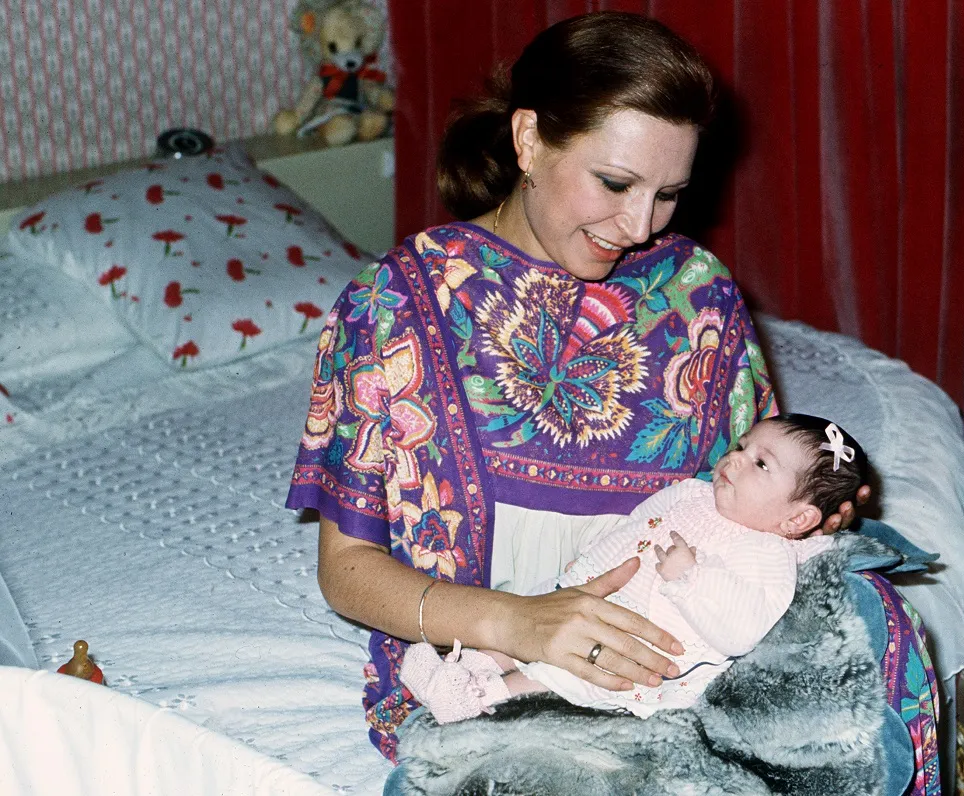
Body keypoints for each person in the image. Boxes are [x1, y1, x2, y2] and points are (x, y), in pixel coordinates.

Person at [286, 11, 872, 764]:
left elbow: (752, 500)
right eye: (617, 182)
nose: (639, 225)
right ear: (529, 140)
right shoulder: (399, 303)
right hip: (481, 671)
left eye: (669, 194)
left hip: (674, 678)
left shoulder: (699, 296)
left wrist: (817, 519)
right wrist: (518, 624)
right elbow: (348, 572)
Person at [399, 414, 867, 723]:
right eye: (743, 445)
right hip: (586, 588)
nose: (737, 457)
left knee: (562, 672)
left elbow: (744, 625)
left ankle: (484, 698)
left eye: (761, 463)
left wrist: (693, 578)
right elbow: (634, 526)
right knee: (527, 623)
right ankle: (464, 669)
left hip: (637, 639)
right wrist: (590, 559)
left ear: (798, 519)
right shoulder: (691, 493)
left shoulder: (766, 552)